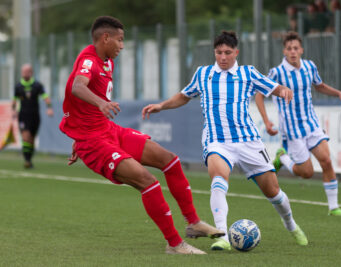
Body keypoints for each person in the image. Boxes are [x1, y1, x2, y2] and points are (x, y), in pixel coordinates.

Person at [59, 16, 224, 255]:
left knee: (170, 160)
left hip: (107, 130)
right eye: (119, 40)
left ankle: (194, 223)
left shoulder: (106, 60)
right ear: (105, 38)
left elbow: (79, 104)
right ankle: (175, 244)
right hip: (94, 142)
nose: (122, 46)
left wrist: (79, 129)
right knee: (147, 181)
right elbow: (77, 86)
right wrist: (99, 107)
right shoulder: (89, 60)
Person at [142, 31, 308, 251]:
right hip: (217, 141)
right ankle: (223, 236)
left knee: (274, 192)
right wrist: (162, 105)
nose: (223, 57)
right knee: (218, 180)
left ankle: (291, 225)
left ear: (236, 52)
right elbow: (184, 95)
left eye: (227, 53)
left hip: (248, 141)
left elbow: (274, 88)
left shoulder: (248, 73)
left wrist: (283, 90)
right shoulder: (203, 74)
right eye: (219, 52)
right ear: (214, 52)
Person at [255, 31, 341, 217]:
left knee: (327, 160)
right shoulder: (277, 72)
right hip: (292, 131)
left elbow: (319, 86)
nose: (293, 52)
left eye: (296, 48)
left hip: (311, 124)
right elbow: (259, 94)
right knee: (307, 173)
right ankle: (283, 158)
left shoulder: (309, 66)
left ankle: (334, 207)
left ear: (302, 50)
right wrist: (267, 121)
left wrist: (338, 93)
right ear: (284, 51)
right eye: (289, 48)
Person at [11, 63, 54, 169]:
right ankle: (27, 160)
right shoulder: (18, 86)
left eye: (27, 71)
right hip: (23, 115)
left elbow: (46, 97)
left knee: (31, 139)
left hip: (35, 115)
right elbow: (14, 100)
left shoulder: (37, 85)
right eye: (23, 72)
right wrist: (13, 110)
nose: (25, 74)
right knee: (25, 137)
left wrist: (49, 107)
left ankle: (29, 160)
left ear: (31, 72)